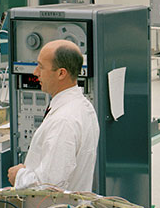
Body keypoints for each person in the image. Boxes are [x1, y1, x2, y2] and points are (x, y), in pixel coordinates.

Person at [7, 39, 99, 192]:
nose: (35, 73)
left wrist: (18, 176)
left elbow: (51, 185)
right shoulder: (83, 107)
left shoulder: (64, 120)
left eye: (41, 67)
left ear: (61, 73)